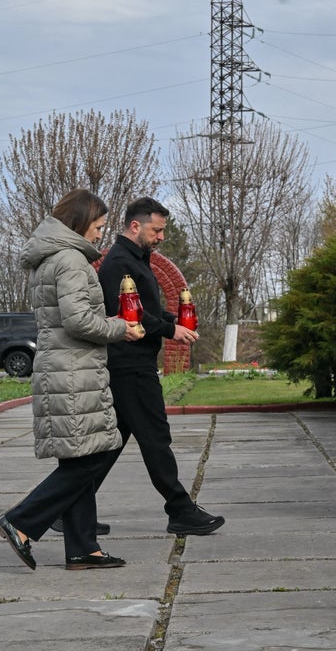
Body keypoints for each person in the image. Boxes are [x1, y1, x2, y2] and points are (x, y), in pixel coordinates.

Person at [0, 188, 145, 571]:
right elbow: (78, 321)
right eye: (97, 226)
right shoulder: (71, 261)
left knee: (84, 456)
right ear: (79, 224)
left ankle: (82, 548)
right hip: (74, 372)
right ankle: (21, 522)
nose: (99, 234)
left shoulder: (50, 259)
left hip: (61, 368)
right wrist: (120, 327)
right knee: (91, 459)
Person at [94, 196, 225, 536]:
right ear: (135, 226)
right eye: (157, 230)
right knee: (155, 438)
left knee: (111, 443)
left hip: (133, 365)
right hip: (129, 366)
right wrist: (169, 328)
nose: (162, 236)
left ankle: (68, 507)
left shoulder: (137, 260)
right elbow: (129, 316)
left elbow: (148, 309)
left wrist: (175, 324)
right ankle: (180, 510)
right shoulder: (119, 263)